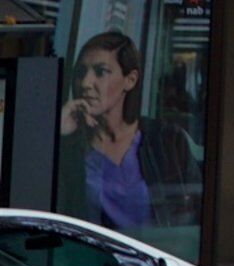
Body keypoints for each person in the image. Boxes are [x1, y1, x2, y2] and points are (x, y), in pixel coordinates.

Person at [54, 28, 200, 237]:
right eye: (80, 73)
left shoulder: (165, 141)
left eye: (101, 72)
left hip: (158, 260)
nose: (86, 83)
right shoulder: (70, 146)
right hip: (88, 263)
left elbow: (192, 210)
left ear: (130, 80)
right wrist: (60, 135)